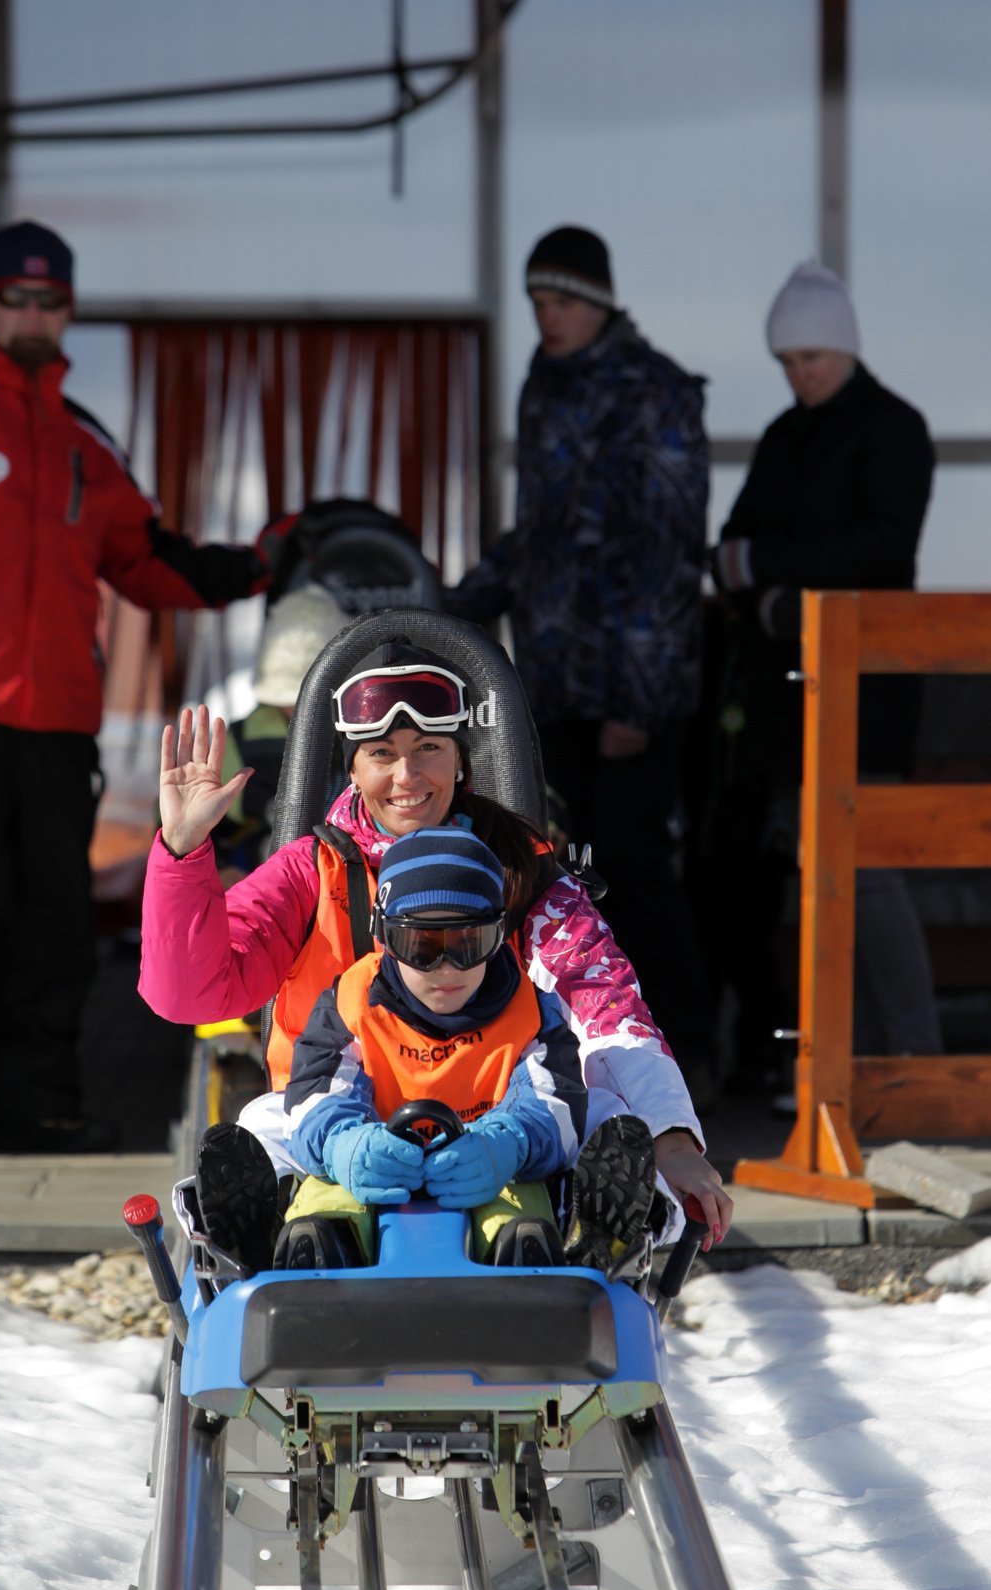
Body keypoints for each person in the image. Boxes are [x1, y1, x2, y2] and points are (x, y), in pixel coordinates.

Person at [139, 636, 732, 1244]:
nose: (406, 776)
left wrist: (672, 1140)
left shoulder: (520, 875)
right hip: (331, 1116)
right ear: (352, 766)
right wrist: (183, 853)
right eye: (381, 753)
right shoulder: (309, 873)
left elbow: (606, 1009)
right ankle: (249, 1232)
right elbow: (192, 997)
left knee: (599, 1115)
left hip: (498, 1122)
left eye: (428, 748)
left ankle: (604, 1227)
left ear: (459, 758)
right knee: (262, 1125)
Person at [0, 219, 286, 1155]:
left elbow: (148, 560)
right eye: (18, 297)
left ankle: (33, 1115)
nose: (35, 313)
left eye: (51, 300)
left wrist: (256, 567)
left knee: (52, 927)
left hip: (58, 729)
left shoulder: (88, 441)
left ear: (67, 309)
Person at [442, 224, 716, 1102]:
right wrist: (445, 612)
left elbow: (671, 550)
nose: (544, 317)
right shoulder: (544, 386)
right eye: (534, 301)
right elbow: (538, 537)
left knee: (636, 869)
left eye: (559, 301)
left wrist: (635, 701)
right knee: (556, 872)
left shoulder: (657, 392)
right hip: (550, 680)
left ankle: (686, 1059)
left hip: (632, 694)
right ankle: (582, 1061)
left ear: (597, 303)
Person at [700, 260, 942, 1092]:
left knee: (863, 877)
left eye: (813, 358)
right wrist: (764, 585)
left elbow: (879, 549)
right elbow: (737, 544)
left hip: (861, 693)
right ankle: (859, 1072)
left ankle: (908, 1061)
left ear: (844, 350)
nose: (800, 374)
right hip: (790, 698)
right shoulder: (787, 435)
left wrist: (766, 578)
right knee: (825, 885)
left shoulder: (891, 431)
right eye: (788, 362)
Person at [196, 827, 638, 1273]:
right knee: (322, 1180)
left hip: (486, 1167)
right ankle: (306, 1247)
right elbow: (315, 1090)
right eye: (421, 946)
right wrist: (344, 1145)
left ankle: (538, 1254)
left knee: (526, 1195)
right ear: (385, 938)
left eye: (469, 943)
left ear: (500, 935)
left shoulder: (529, 1012)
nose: (446, 968)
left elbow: (556, 1100)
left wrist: (510, 1143)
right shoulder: (352, 1003)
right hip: (374, 1161)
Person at [212, 582, 347, 881]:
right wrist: (220, 870)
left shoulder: (367, 735)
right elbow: (191, 832)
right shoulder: (241, 746)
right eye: (288, 700)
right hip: (265, 885)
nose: (299, 710)